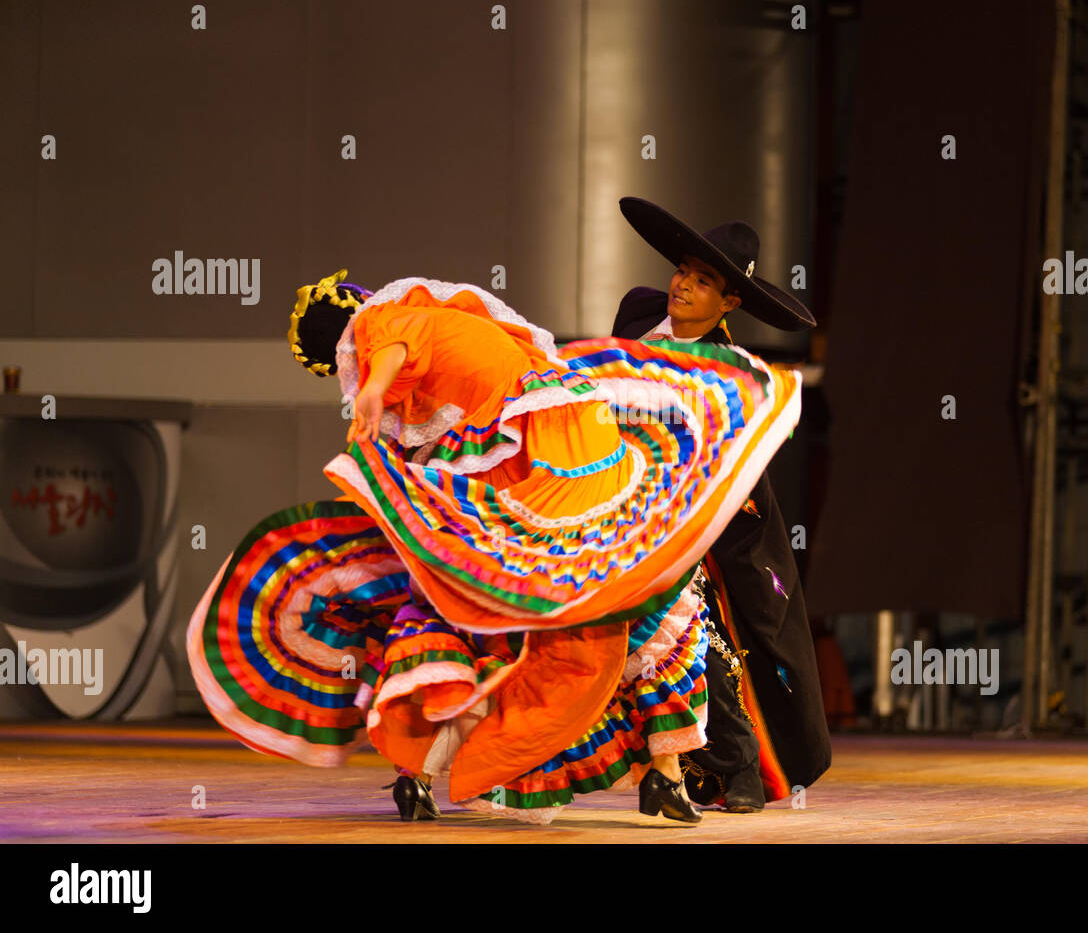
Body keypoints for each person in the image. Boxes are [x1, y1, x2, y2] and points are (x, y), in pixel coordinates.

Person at [187, 268, 802, 825]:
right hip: (555, 447)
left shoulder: (391, 334)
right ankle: (663, 775)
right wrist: (378, 391)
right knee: (630, 598)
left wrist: (374, 390)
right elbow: (408, 356)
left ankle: (418, 773)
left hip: (532, 446)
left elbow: (396, 349)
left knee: (477, 611)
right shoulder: (409, 335)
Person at [611, 197, 832, 811]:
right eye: (684, 270)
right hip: (623, 508)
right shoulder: (637, 320)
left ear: (729, 303)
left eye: (703, 281)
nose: (682, 284)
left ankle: (737, 768)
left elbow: (733, 459)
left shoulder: (734, 371)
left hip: (710, 519)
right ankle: (659, 767)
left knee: (702, 635)